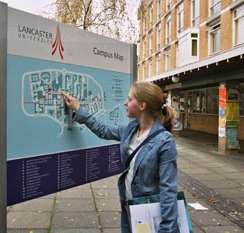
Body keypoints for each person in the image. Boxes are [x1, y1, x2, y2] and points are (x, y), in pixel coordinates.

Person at [62, 81, 179, 233]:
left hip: (150, 214)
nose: (125, 103)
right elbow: (103, 130)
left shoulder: (164, 141)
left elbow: (168, 190)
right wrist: (78, 109)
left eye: (130, 99)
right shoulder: (130, 130)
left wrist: (166, 229)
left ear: (142, 106)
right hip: (129, 209)